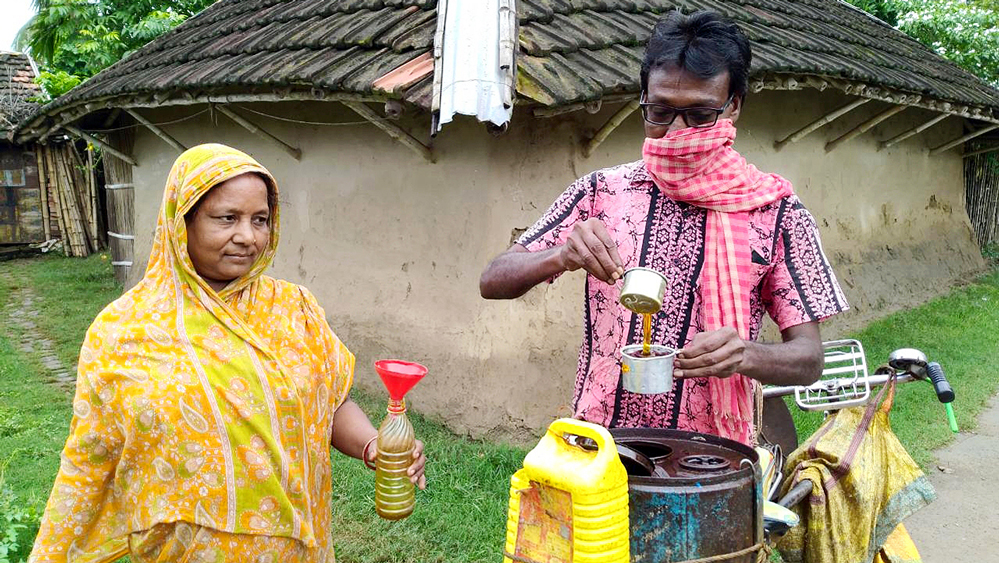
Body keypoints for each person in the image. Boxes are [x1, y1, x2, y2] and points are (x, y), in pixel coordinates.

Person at [29, 144, 426, 563]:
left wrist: (372, 447)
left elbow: (332, 401)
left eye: (260, 220)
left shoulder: (293, 309)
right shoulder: (125, 331)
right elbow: (90, 456)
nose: (248, 236)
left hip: (298, 550)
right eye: (226, 219)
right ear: (183, 222)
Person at [480, 11, 849, 445]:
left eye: (698, 115)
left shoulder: (776, 210)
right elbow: (493, 281)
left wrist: (746, 354)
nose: (675, 131)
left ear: (733, 107)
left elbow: (808, 359)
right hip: (601, 445)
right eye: (659, 112)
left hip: (716, 456)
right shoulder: (600, 192)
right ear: (643, 98)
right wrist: (560, 255)